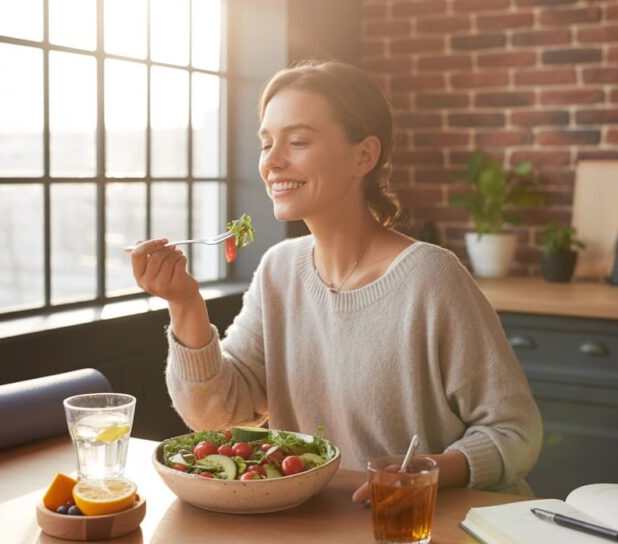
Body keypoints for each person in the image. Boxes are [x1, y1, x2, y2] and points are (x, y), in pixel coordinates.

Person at [130, 60, 542, 503]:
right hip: (322, 528)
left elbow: (514, 430)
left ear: (363, 155)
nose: (273, 161)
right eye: (266, 143)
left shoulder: (431, 277)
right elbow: (216, 414)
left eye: (298, 141)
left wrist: (425, 473)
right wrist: (185, 303)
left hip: (426, 531)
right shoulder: (279, 270)